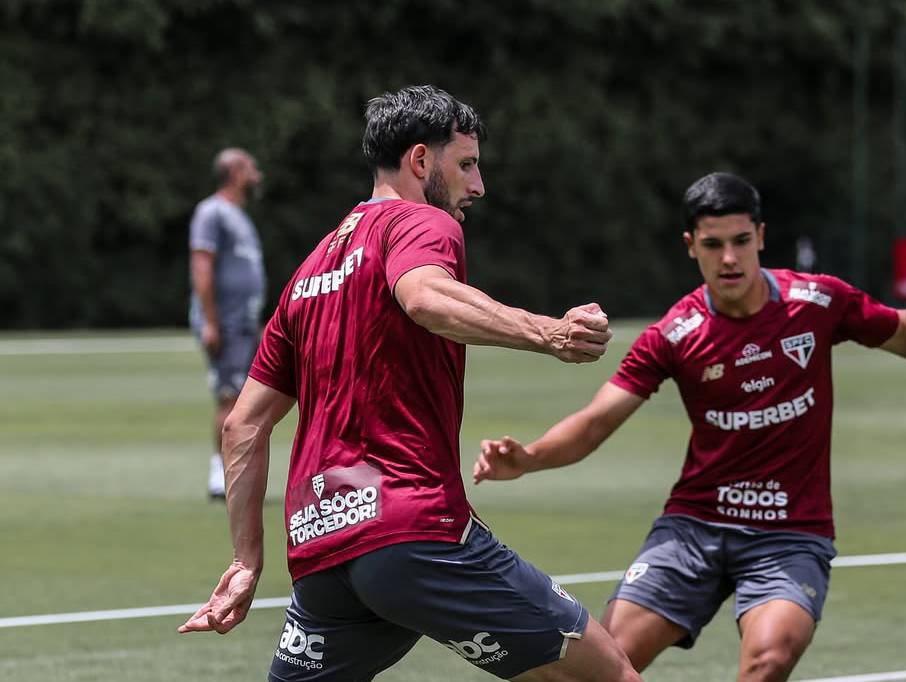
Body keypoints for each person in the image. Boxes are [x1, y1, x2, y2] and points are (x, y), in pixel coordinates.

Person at [179, 85, 641, 682]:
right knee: (610, 677)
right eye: (467, 164)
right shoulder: (421, 222)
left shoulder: (309, 270)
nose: (478, 186)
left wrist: (246, 561)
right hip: (414, 532)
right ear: (421, 161)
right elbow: (423, 296)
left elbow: (244, 425)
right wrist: (547, 333)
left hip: (320, 553)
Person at [473, 172, 906, 682]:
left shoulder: (818, 301)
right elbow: (594, 422)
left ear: (761, 237)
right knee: (607, 664)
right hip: (693, 528)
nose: (729, 258)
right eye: (713, 243)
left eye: (742, 241)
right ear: (690, 245)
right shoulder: (675, 333)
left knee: (768, 661)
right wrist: (531, 457)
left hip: (790, 534)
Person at [189, 147, 266, 500]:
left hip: (244, 322)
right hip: (226, 323)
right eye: (250, 167)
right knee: (230, 397)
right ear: (234, 173)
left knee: (244, 398)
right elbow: (202, 266)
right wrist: (210, 321)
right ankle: (219, 476)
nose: (256, 172)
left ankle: (237, 471)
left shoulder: (239, 215)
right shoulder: (212, 212)